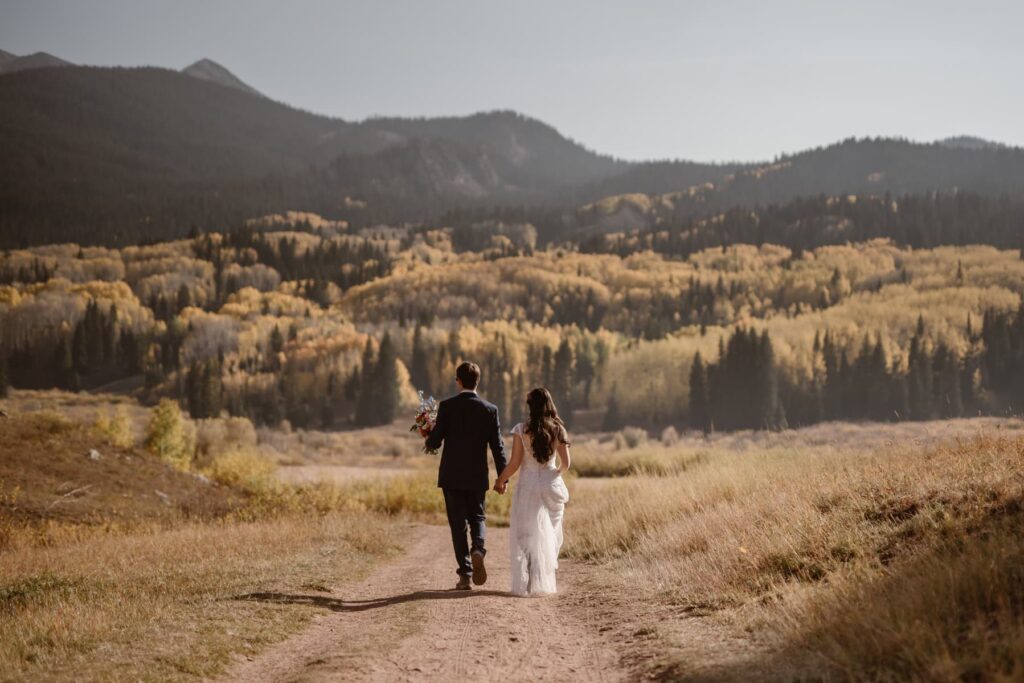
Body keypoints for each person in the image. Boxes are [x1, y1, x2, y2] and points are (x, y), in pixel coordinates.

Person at [425, 361, 507, 590]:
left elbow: (434, 442)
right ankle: (478, 549)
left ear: (458, 381)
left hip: (452, 476)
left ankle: (466, 574)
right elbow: (497, 447)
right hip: (476, 475)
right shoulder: (490, 409)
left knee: (457, 525)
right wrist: (503, 477)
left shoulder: (448, 407)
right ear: (477, 382)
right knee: (478, 517)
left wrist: (427, 434)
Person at [494, 387, 571, 596]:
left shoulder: (522, 429)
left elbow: (515, 463)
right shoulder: (558, 430)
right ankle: (542, 574)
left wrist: (501, 479)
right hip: (550, 485)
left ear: (530, 406)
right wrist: (553, 474)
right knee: (549, 532)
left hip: (528, 485)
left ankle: (531, 575)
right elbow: (566, 463)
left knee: (526, 533)